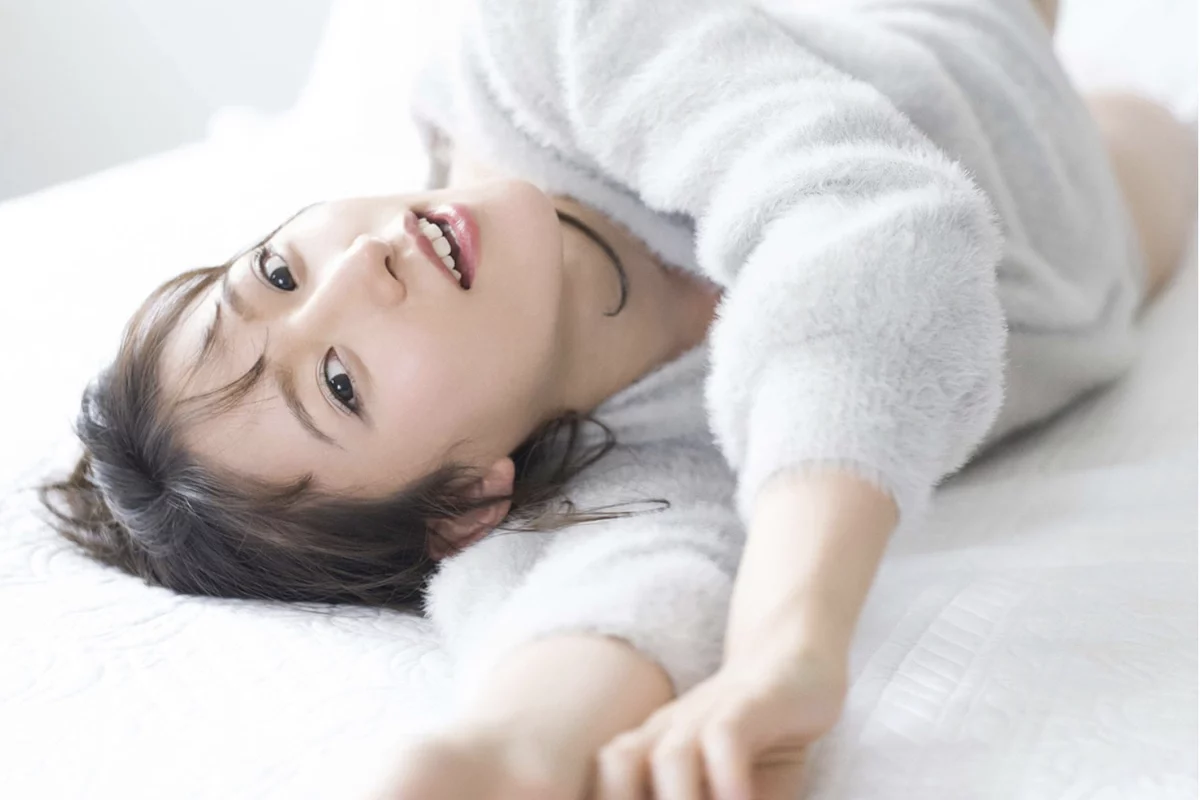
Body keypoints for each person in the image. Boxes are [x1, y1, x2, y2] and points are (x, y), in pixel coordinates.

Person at [41, 0, 1194, 798]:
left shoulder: (545, 45)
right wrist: (493, 754)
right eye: (340, 383)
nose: (357, 266)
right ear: (468, 501)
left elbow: (870, 226)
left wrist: (788, 640)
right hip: (1087, 256)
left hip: (933, 45)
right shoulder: (614, 473)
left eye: (277, 273)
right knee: (1163, 139)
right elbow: (610, 608)